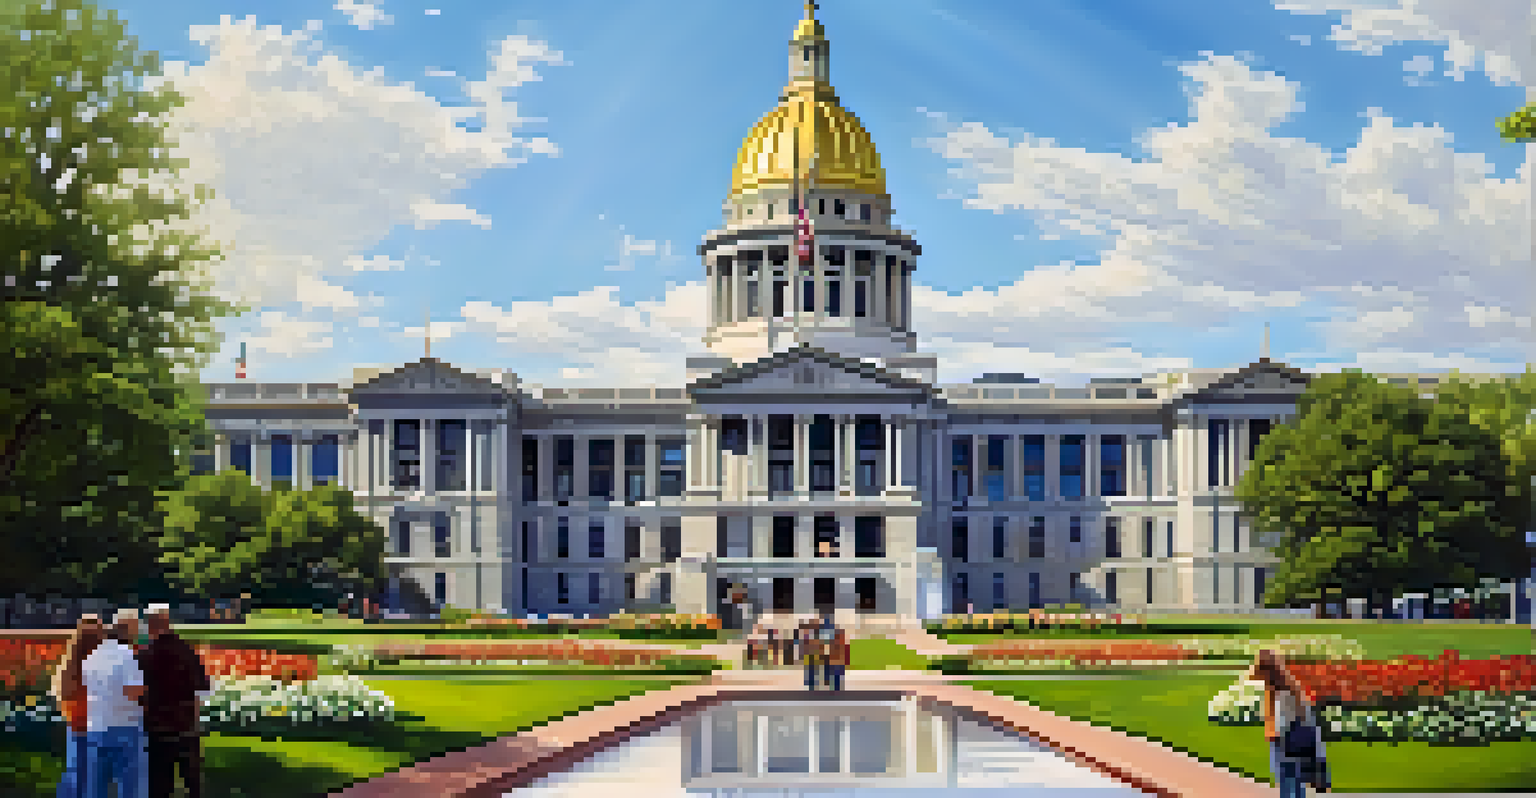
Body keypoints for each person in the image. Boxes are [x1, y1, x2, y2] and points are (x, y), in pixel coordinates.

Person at [142, 604, 213, 797]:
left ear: (150, 625)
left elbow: (140, 694)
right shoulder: (187, 651)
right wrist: (195, 723)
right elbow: (201, 689)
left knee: (160, 784)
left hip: (158, 728)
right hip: (186, 726)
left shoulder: (146, 655)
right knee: (192, 783)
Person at [83, 609, 146, 798]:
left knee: (96, 787)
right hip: (124, 726)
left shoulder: (93, 655)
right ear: (129, 630)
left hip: (95, 726)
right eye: (136, 627)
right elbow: (133, 692)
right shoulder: (127, 656)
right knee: (130, 787)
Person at [1254, 649, 1328, 797]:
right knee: (1295, 784)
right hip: (1297, 742)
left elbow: (1282, 724)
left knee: (1289, 785)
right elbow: (1306, 717)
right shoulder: (1289, 686)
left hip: (1286, 743)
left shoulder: (1282, 692)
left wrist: (1272, 735)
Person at [53, 614, 106, 798]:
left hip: (76, 724)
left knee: (75, 772)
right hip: (96, 726)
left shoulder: (70, 665)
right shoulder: (101, 664)